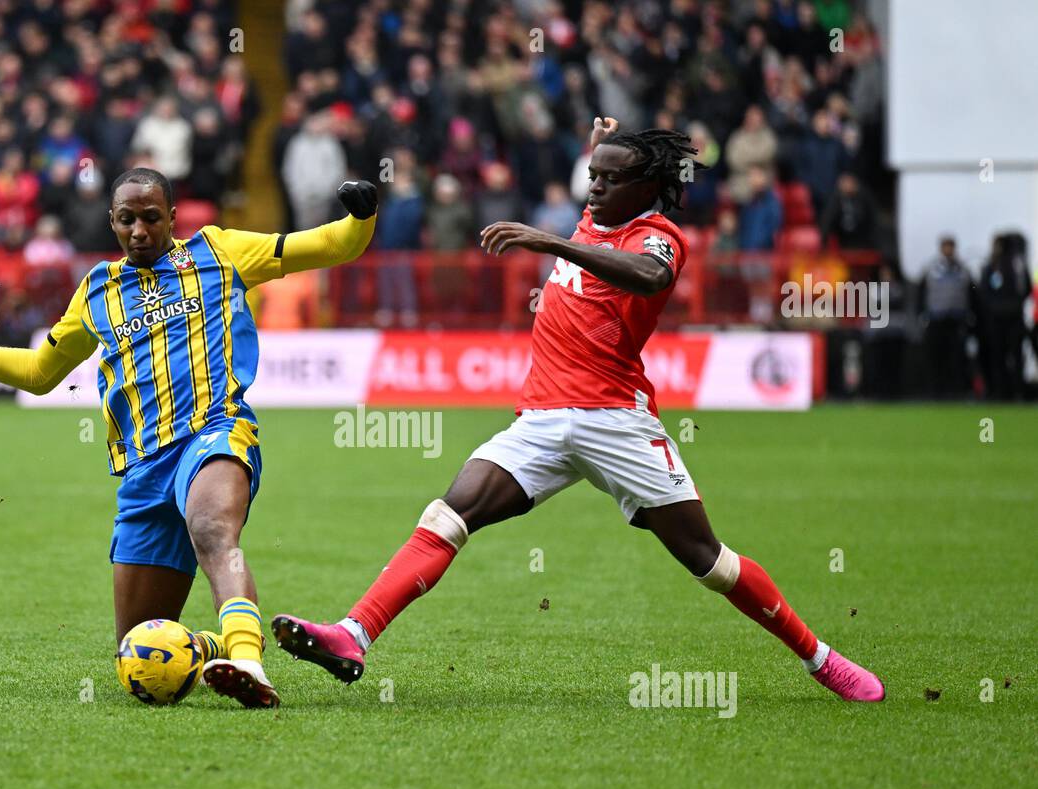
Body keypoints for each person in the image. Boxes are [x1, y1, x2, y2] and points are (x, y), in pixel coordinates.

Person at [273, 118, 885, 704]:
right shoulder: (595, 218)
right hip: (540, 420)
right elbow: (595, 210)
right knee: (449, 513)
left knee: (709, 561)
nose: (594, 186)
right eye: (592, 174)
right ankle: (353, 636)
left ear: (646, 190)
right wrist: (596, 162)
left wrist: (551, 239)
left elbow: (646, 277)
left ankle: (819, 658)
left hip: (615, 420)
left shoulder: (657, 238)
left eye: (609, 178)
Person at [0, 168, 379, 708]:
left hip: (215, 432)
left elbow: (335, 244)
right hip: (144, 468)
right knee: (139, 654)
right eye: (128, 220)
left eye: (151, 217)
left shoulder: (221, 252)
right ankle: (218, 643)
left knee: (212, 527)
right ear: (113, 223)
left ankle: (248, 664)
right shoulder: (97, 290)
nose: (140, 230)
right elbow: (37, 373)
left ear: (172, 217)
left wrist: (362, 215)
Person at [917, 235, 974, 399]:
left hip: (956, 319)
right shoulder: (931, 269)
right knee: (936, 357)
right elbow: (921, 294)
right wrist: (922, 315)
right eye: (945, 246)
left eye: (951, 247)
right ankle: (936, 391)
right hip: (936, 319)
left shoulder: (963, 269)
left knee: (956, 357)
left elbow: (971, 294)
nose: (948, 250)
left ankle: (956, 391)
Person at [977, 234, 1032, 401]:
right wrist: (996, 307)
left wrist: (1014, 305)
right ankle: (1000, 391)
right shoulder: (991, 266)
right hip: (996, 319)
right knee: (998, 355)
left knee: (1016, 355)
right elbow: (984, 292)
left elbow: (1026, 288)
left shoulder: (1018, 266)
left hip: (1014, 317)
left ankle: (1018, 391)